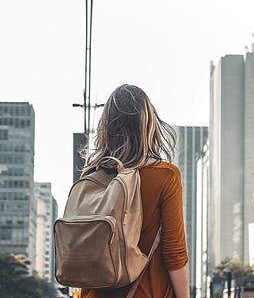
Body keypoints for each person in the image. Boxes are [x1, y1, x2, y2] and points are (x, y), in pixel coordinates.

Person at [76, 84, 189, 298]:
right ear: (148, 124)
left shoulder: (92, 177)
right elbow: (175, 254)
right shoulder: (165, 176)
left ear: (107, 127)